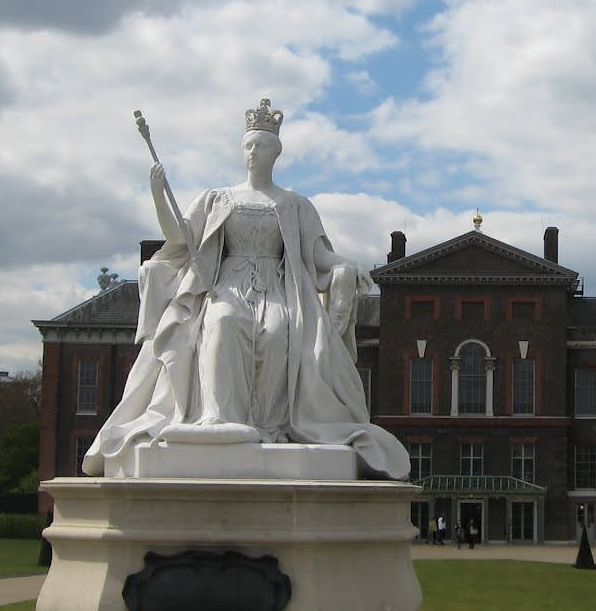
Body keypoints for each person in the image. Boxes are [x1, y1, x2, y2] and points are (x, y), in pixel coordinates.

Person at [81, 102, 408, 480]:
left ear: (275, 152)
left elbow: (317, 254)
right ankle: (216, 417)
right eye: (248, 146)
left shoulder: (295, 204)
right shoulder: (217, 198)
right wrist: (158, 193)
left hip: (278, 287)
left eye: (260, 146)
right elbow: (178, 236)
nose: (253, 152)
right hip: (226, 286)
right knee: (222, 323)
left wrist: (345, 265)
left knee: (276, 333)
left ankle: (267, 427)